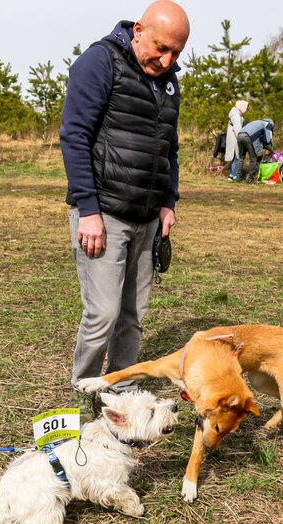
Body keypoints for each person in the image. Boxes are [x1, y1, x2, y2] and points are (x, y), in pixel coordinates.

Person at [59, 0, 189, 413]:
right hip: (105, 215)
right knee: (104, 313)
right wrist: (89, 211)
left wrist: (168, 202)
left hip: (147, 218)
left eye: (177, 53)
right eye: (161, 48)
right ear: (137, 30)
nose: (167, 60)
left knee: (132, 315)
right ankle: (84, 394)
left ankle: (121, 396)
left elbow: (170, 147)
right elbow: (74, 136)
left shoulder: (169, 83)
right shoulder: (100, 63)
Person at [235, 118, 274, 183]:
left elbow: (260, 137)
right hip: (247, 137)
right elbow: (267, 140)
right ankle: (250, 179)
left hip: (240, 135)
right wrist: (271, 149)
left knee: (241, 157)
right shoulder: (268, 124)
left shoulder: (257, 122)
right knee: (253, 158)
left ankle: (238, 177)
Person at [226, 100, 248, 181]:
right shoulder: (236, 115)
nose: (247, 109)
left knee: (235, 157)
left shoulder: (235, 114)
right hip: (236, 139)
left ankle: (231, 175)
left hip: (234, 139)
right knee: (237, 157)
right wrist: (242, 139)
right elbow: (238, 129)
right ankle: (234, 175)